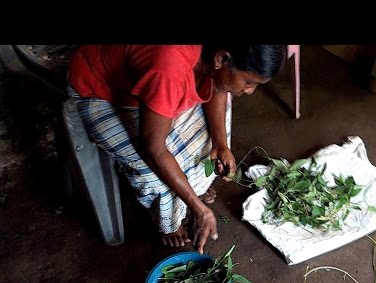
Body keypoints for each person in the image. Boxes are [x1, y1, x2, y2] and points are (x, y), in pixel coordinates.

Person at [67, 45, 287, 254]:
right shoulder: (168, 68)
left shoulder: (213, 60)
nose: (249, 91)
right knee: (151, 171)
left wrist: (220, 144)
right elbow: (153, 149)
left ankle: (191, 187)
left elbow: (218, 85)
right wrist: (198, 208)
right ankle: (170, 222)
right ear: (221, 58)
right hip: (101, 88)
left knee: (209, 134)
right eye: (248, 82)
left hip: (155, 80)